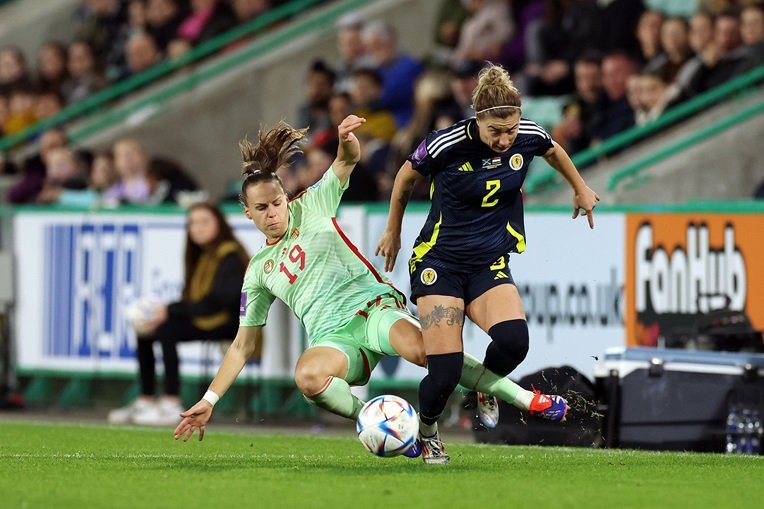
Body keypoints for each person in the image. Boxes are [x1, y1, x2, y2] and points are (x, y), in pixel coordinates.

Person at [173, 115, 571, 464]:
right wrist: (209, 401)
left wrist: (346, 139)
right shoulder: (258, 270)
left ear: (284, 194)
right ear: (247, 212)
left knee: (429, 353)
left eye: (276, 201)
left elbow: (346, 162)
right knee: (308, 377)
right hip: (334, 339)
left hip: (375, 309)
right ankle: (387, 423)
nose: (273, 212)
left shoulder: (312, 203)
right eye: (262, 209)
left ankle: (524, 398)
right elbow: (243, 345)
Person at [375, 64, 600, 464]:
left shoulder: (527, 134)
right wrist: (393, 230)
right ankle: (427, 432)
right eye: (496, 131)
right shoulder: (446, 144)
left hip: (487, 263)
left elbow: (552, 150)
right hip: (438, 264)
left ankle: (483, 387)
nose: (505, 139)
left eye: (510, 129)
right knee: (443, 373)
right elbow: (405, 178)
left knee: (515, 342)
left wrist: (580, 188)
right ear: (477, 120)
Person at [108, 202, 250, 426]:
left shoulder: (229, 256)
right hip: (205, 316)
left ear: (219, 224)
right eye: (192, 223)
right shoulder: (201, 256)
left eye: (204, 222)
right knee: (147, 329)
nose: (198, 228)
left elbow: (221, 302)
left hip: (228, 322)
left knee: (167, 330)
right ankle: (146, 399)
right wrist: (167, 310)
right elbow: (193, 301)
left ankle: (172, 401)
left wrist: (171, 311)